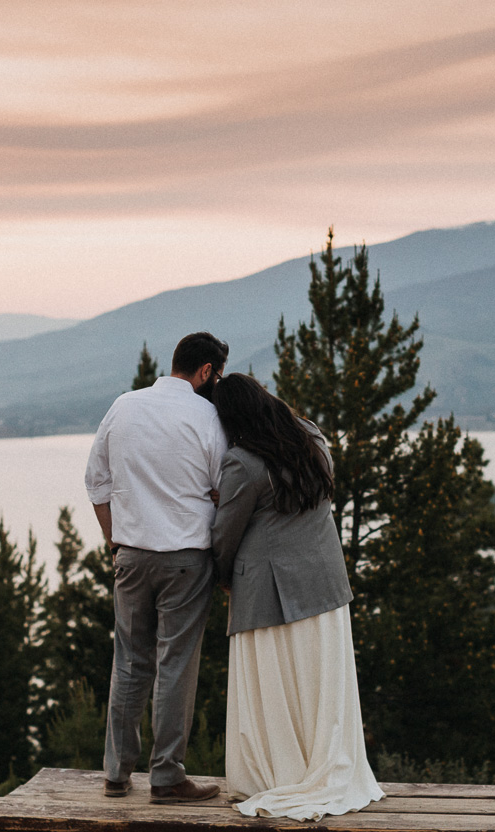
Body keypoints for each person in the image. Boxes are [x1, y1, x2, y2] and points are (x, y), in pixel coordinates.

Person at [210, 373, 384, 821]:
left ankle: (278, 771)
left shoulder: (242, 464)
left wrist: (222, 576)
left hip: (266, 590)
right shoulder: (313, 439)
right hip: (324, 583)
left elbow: (224, 536)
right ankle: (318, 764)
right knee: (320, 682)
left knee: (274, 683)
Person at [84, 331, 229, 804]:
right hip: (186, 557)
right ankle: (166, 776)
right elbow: (222, 486)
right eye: (217, 375)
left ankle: (116, 774)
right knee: (176, 664)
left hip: (130, 553)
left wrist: (113, 541)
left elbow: (96, 481)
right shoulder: (206, 414)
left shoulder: (123, 406)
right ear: (206, 372)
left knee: (128, 662)